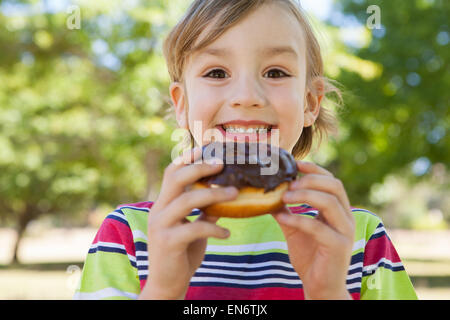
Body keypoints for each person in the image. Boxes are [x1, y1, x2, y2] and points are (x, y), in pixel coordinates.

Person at [74, 0, 417, 300]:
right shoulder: (129, 235)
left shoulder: (357, 238)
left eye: (276, 72)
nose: (248, 95)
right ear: (182, 104)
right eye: (217, 72)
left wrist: (328, 293)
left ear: (310, 102)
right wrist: (163, 290)